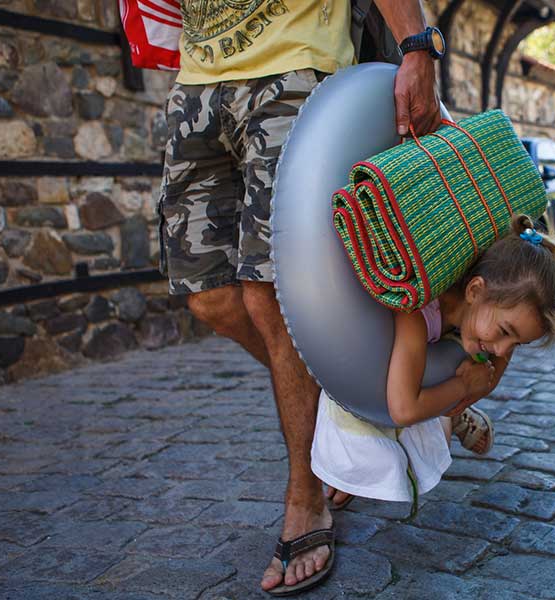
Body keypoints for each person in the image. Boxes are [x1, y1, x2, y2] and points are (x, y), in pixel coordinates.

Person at [157, 1, 442, 594]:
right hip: (197, 81)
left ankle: (306, 498)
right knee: (207, 296)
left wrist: (416, 46)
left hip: (296, 69)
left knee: (271, 296)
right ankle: (357, 406)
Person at [313, 214, 555, 509]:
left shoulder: (484, 316)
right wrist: (463, 386)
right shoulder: (415, 311)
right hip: (365, 373)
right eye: (504, 333)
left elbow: (492, 371)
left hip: (426, 362)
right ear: (474, 290)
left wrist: (479, 381)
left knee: (431, 435)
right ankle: (452, 415)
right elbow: (404, 408)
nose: (501, 351)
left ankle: (452, 414)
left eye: (516, 345)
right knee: (362, 457)